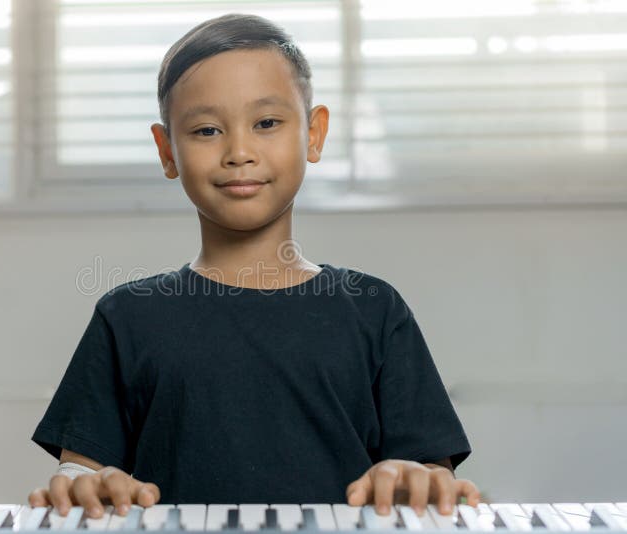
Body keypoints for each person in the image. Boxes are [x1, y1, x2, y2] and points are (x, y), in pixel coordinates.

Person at [28, 12, 480, 521]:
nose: (239, 152)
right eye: (206, 130)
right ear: (166, 149)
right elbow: (80, 475)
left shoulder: (375, 309)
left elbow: (430, 477)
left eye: (266, 123)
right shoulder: (126, 317)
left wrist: (411, 478)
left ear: (314, 134)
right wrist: (82, 485)